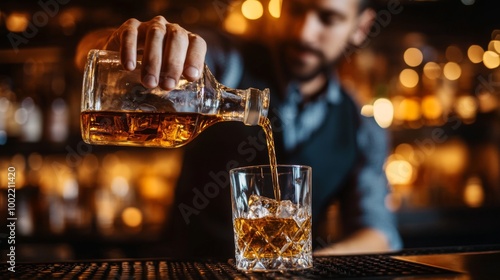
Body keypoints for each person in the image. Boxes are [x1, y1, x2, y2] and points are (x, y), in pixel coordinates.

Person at [75, 0, 402, 258]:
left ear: (361, 27)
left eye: (328, 19)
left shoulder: (362, 126)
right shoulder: (231, 60)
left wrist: (302, 263)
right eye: (296, 9)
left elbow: (379, 233)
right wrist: (127, 44)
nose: (304, 31)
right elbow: (89, 51)